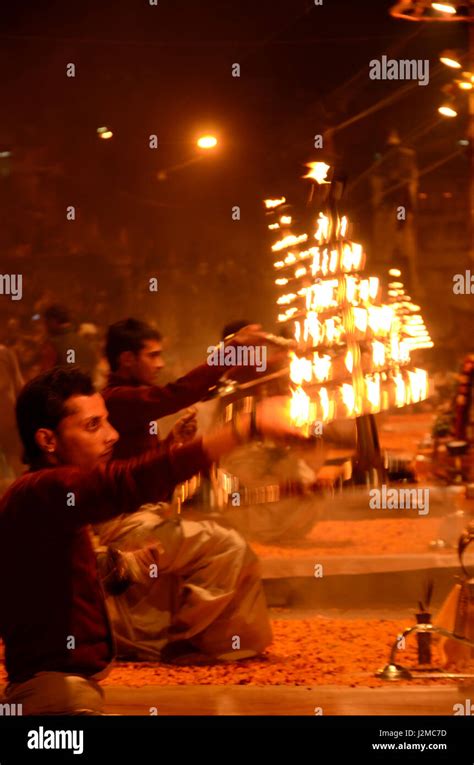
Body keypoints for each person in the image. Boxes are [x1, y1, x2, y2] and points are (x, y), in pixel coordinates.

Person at [0, 367, 298, 714]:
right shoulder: (43, 490)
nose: (111, 436)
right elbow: (128, 482)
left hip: (63, 689)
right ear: (48, 440)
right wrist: (244, 429)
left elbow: (43, 575)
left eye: (107, 422)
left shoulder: (40, 495)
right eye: (92, 426)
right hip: (57, 697)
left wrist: (118, 565)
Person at [40, 304, 98, 378]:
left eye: (46, 322)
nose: (45, 326)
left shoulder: (53, 344)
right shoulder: (86, 344)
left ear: (53, 321)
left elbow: (44, 376)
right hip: (86, 388)